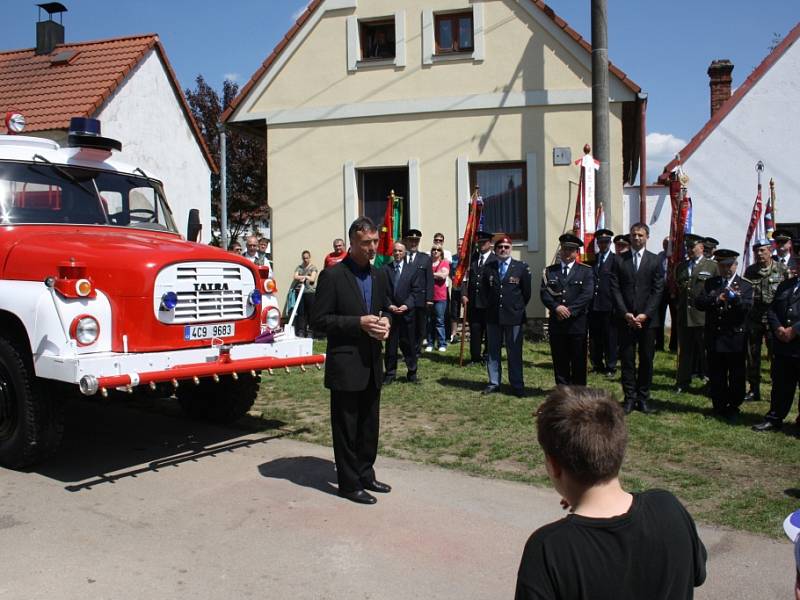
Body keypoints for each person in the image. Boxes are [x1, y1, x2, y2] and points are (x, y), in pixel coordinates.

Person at [515, 386, 707, 600]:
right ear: (619, 448)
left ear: (554, 465)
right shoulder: (668, 508)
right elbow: (697, 573)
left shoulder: (548, 550)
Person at [310, 216, 392, 505]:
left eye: (375, 242)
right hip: (346, 364)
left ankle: (365, 473)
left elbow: (385, 309)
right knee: (347, 427)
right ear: (352, 243)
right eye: (366, 243)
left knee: (370, 424)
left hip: (372, 362)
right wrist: (358, 322)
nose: (372, 248)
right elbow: (319, 320)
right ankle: (348, 483)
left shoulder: (380, 275)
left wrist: (386, 322)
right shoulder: (333, 276)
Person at [610, 223, 664, 415]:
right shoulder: (619, 260)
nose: (637, 238)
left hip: (647, 321)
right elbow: (614, 288)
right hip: (626, 319)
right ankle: (629, 398)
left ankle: (643, 398)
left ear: (647, 237)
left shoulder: (655, 260)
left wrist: (645, 314)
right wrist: (625, 313)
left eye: (640, 235)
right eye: (633, 235)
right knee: (627, 360)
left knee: (647, 359)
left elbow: (658, 290)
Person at [695, 249, 753, 419]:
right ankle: (719, 406)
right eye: (721, 265)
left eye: (729, 265)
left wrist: (736, 299)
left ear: (735, 265)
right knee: (717, 373)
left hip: (734, 337)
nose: (725, 269)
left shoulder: (745, 285)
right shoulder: (711, 283)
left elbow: (747, 308)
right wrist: (716, 299)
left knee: (736, 374)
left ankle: (734, 405)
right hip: (715, 336)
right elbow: (699, 302)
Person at [480, 234, 532, 397]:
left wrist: (516, 308)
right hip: (493, 316)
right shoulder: (489, 268)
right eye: (500, 247)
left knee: (514, 351)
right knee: (493, 351)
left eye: (506, 247)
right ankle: (494, 382)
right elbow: (484, 291)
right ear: (495, 250)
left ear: (511, 249)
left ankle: (517, 384)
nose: (503, 249)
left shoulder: (521, 268)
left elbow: (526, 293)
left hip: (514, 316)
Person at [540, 233, 594, 385]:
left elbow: (587, 295)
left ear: (577, 252)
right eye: (564, 249)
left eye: (571, 250)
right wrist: (556, 307)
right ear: (560, 250)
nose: (567, 252)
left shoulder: (586, 271)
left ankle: (578, 392)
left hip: (577, 323)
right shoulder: (550, 271)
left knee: (578, 360)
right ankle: (562, 392)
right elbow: (544, 293)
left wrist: (568, 310)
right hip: (557, 323)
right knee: (560, 359)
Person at [752, 270, 800, 432]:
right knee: (780, 385)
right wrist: (778, 328)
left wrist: (795, 329)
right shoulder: (786, 285)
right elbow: (772, 310)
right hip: (783, 345)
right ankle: (774, 418)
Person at [744, 239, 788, 402]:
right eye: (757, 251)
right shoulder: (750, 271)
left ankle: (778, 388)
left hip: (773, 319)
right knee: (752, 354)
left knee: (775, 355)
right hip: (754, 318)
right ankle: (753, 389)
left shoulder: (782, 270)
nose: (759, 254)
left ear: (770, 251)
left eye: (762, 250)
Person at [674, 234, 719, 393]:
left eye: (692, 247)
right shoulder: (681, 266)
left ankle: (711, 381)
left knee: (705, 351)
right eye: (687, 247)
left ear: (701, 247)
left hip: (703, 316)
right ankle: (682, 381)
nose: (689, 250)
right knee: (685, 351)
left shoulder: (712, 266)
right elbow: (679, 289)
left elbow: (716, 290)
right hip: (685, 315)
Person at [382, 242, 422, 384]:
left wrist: (407, 305)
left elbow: (416, 290)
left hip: (407, 314)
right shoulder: (385, 270)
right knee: (391, 346)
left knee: (409, 344)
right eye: (395, 251)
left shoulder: (412, 269)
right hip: (391, 314)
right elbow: (382, 292)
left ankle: (412, 372)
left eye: (400, 251)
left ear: (404, 253)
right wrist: (389, 305)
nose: (397, 253)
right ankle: (390, 373)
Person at [462, 230, 495, 364]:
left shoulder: (495, 260)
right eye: (479, 242)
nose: (481, 245)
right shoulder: (471, 258)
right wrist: (464, 294)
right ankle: (475, 357)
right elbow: (464, 279)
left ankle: (488, 356)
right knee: (475, 331)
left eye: (484, 242)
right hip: (473, 302)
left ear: (490, 243)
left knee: (489, 332)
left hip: (489, 303)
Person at [588, 229, 618, 377]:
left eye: (606, 242)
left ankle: (611, 366)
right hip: (594, 305)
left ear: (610, 243)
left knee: (610, 337)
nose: (603, 244)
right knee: (595, 337)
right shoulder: (593, 259)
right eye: (600, 242)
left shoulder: (616, 260)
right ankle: (597, 364)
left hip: (609, 304)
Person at [403, 229, 434, 356]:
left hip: (421, 299)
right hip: (405, 299)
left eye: (416, 241)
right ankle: (407, 350)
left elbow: (430, 280)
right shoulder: (402, 256)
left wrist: (429, 298)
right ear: (407, 241)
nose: (413, 243)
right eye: (411, 240)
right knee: (406, 326)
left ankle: (416, 350)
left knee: (420, 326)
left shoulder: (425, 258)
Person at [425, 244, 450, 352]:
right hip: (429, 296)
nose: (435, 251)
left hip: (440, 297)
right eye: (433, 249)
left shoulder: (444, 263)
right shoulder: (428, 263)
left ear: (441, 252)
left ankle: (442, 344)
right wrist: (436, 274)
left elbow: (443, 276)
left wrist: (429, 274)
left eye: (438, 250)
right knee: (429, 321)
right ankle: (430, 343)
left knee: (440, 321)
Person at [292, 250, 319, 337]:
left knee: (310, 312)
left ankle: (310, 331)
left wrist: (305, 277)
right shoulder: (299, 267)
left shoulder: (313, 268)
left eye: (307, 258)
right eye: (304, 258)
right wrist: (306, 276)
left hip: (310, 292)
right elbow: (295, 276)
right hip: (299, 292)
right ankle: (301, 331)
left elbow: (312, 279)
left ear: (309, 258)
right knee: (301, 312)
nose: (305, 260)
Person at [449, 237, 464, 343]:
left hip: (467, 290)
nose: (459, 246)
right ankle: (453, 335)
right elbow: (450, 272)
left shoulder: (468, 258)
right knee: (454, 312)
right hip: (456, 289)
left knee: (470, 311)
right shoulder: (453, 258)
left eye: (461, 244)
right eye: (458, 244)